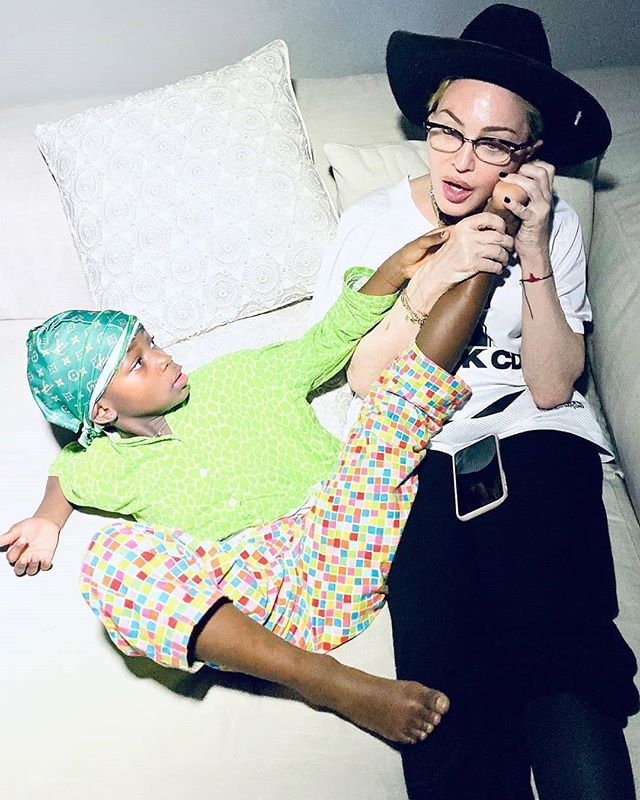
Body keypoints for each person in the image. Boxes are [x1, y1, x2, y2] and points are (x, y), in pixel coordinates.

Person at [308, 5, 638, 799]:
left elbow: (552, 386)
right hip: (416, 448)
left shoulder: (551, 223)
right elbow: (362, 377)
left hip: (533, 437)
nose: (460, 162)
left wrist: (532, 249)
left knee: (560, 650)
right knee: (445, 684)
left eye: (493, 144)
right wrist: (437, 277)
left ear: (531, 153)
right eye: (446, 130)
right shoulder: (372, 222)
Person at [2, 230, 507, 745]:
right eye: (138, 363)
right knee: (107, 557)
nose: (162, 357)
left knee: (390, 409)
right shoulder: (104, 466)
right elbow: (66, 472)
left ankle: (494, 235)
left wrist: (393, 271)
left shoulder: (240, 375)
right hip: (259, 605)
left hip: (344, 528)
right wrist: (46, 518)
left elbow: (327, 340)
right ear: (103, 411)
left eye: (151, 342)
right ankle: (324, 681)